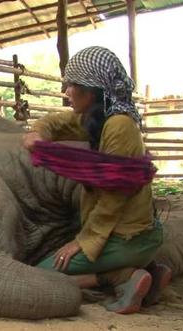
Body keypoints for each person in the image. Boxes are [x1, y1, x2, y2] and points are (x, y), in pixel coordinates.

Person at [22, 46, 172, 314]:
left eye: (71, 86)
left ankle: (118, 277)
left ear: (90, 91)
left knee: (43, 274)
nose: (66, 92)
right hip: (128, 236)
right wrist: (37, 133)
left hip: (128, 238)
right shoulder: (98, 119)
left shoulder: (119, 126)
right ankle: (150, 273)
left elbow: (114, 195)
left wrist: (82, 241)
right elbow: (59, 123)